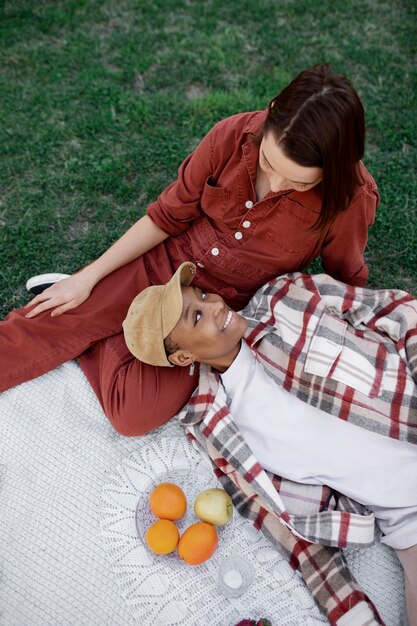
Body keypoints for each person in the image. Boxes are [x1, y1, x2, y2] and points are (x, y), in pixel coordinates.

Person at [0, 64, 379, 436]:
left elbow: (343, 280)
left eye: (297, 183)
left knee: (134, 413)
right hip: (164, 263)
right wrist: (88, 278)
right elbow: (166, 217)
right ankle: (109, 316)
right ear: (273, 110)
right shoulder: (230, 135)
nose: (277, 183)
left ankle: (107, 332)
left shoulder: (349, 198)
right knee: (42, 325)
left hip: (214, 312)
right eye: (268, 162)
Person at [123, 261, 417, 626]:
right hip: (408, 521)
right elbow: (287, 530)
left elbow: (397, 310)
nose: (215, 304)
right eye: (195, 317)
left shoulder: (286, 297)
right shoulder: (217, 428)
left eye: (201, 294)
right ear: (184, 357)